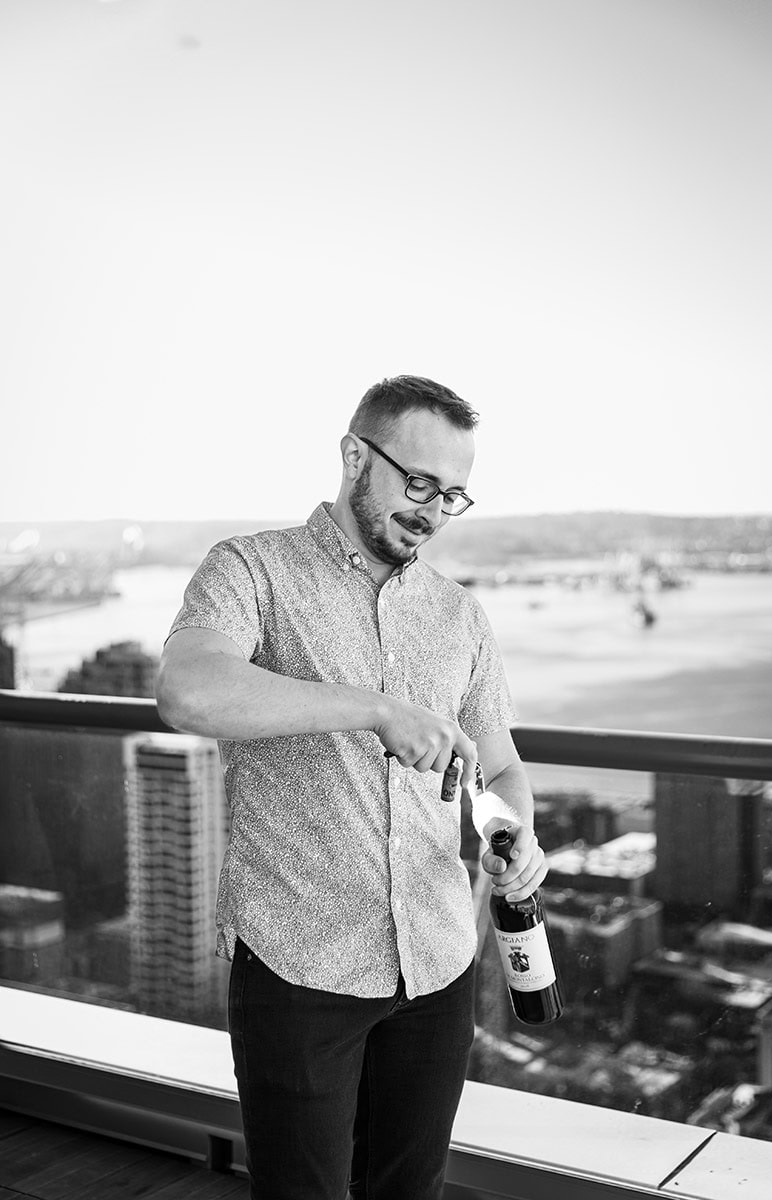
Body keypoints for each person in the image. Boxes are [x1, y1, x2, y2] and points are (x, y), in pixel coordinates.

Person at [156, 375, 547, 1200]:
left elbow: (502, 767)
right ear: (353, 457)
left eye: (453, 496)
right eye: (419, 483)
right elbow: (187, 692)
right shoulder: (252, 569)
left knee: (410, 1191)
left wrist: (515, 834)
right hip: (300, 964)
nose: (433, 512)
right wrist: (374, 709)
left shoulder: (461, 616)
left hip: (439, 963)